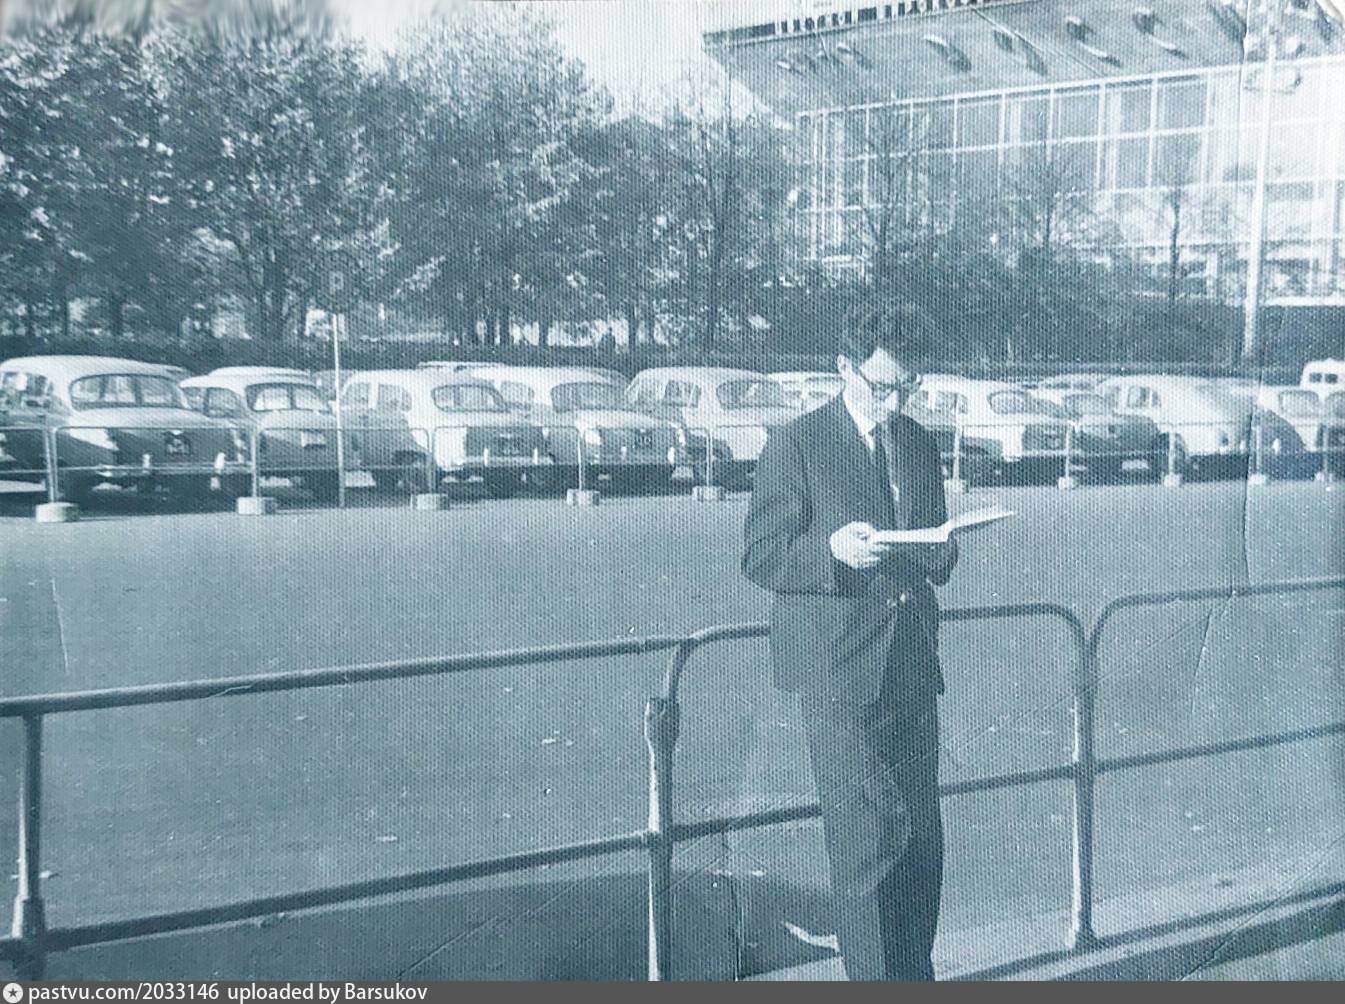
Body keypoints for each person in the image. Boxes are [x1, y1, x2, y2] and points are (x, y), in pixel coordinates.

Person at [741, 308, 957, 981]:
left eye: (908, 387)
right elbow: (761, 555)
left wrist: (943, 548)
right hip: (838, 669)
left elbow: (931, 541)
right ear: (843, 369)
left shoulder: (917, 443)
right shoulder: (797, 443)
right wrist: (831, 553)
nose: (894, 403)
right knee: (869, 842)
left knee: (921, 841)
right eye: (882, 386)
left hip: (911, 663)